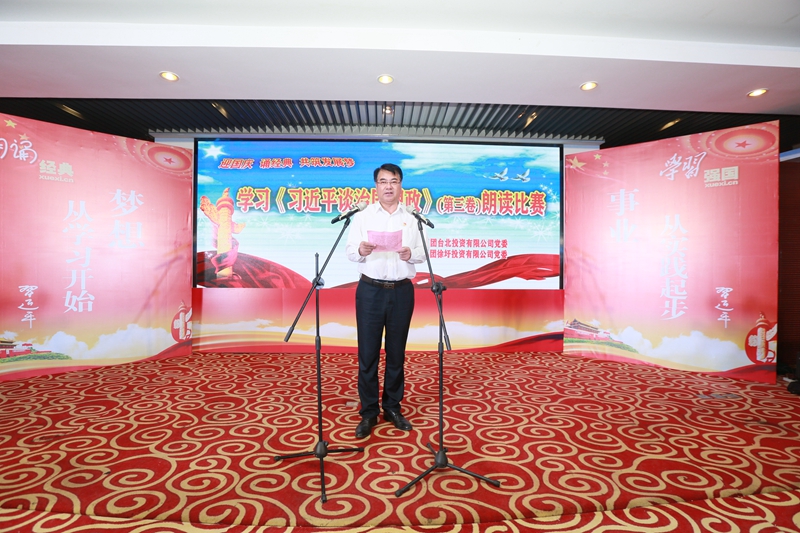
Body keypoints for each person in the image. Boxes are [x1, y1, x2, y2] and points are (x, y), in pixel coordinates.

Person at [345, 163, 426, 439]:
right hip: (370, 290)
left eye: (393, 181)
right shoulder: (363, 217)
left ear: (401, 185)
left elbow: (422, 253)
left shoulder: (413, 218)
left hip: (402, 291)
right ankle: (369, 411)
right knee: (367, 354)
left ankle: (392, 407)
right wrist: (360, 249)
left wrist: (410, 254)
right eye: (383, 181)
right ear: (376, 186)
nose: (388, 186)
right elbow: (350, 252)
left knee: (396, 354)